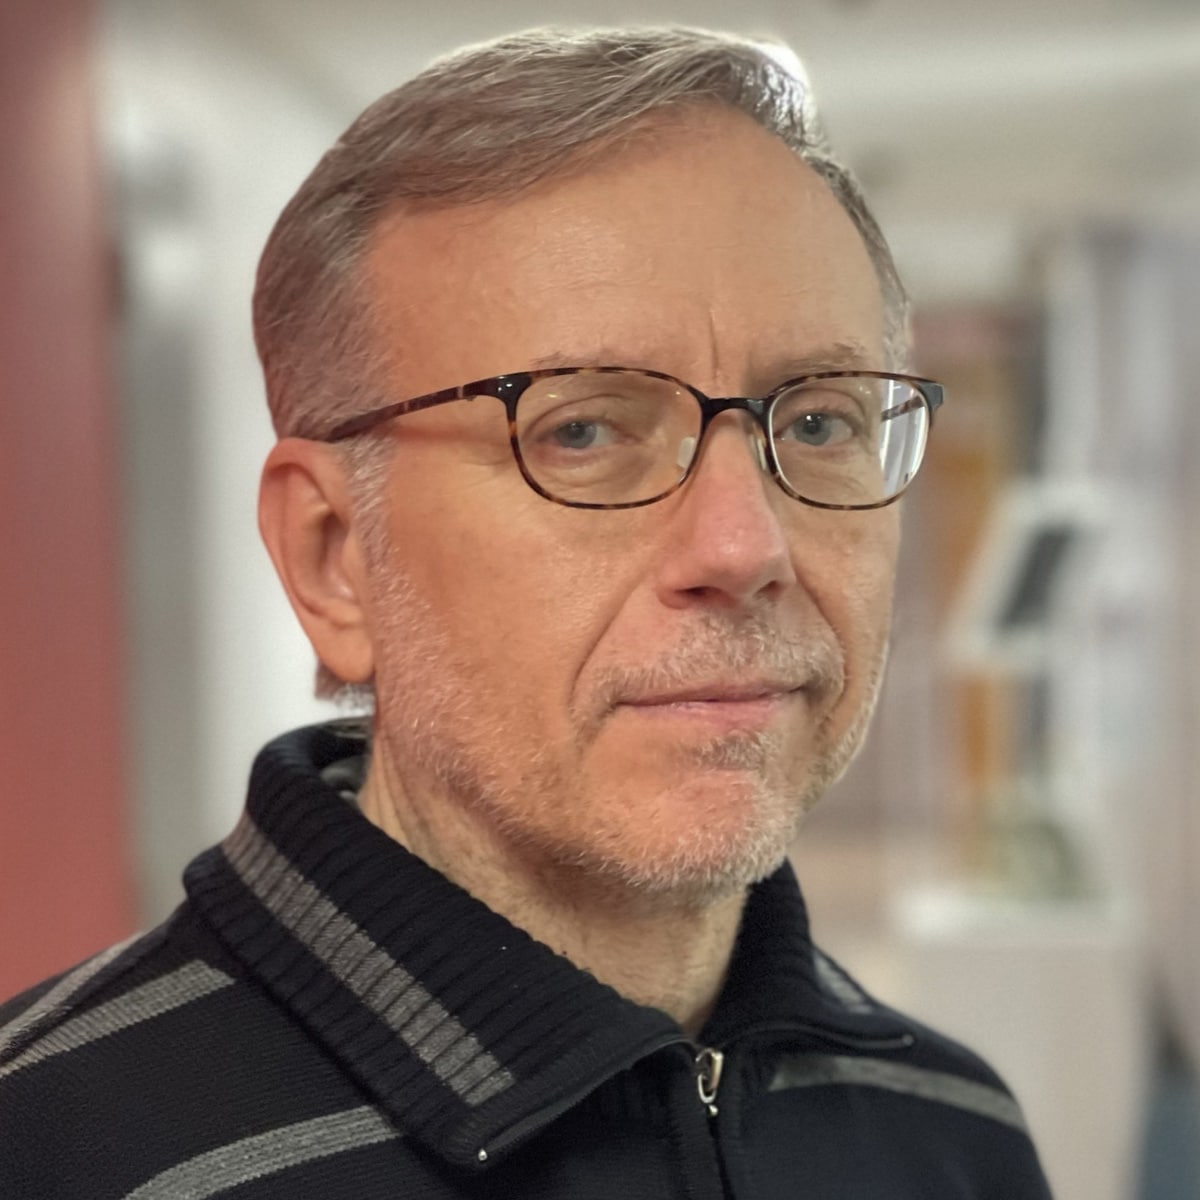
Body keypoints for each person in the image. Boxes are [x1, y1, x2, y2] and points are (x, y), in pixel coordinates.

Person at [0, 26, 1053, 1199]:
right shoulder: (47, 1150)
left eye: (818, 422)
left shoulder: (956, 1134)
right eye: (582, 430)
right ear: (333, 556)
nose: (745, 548)